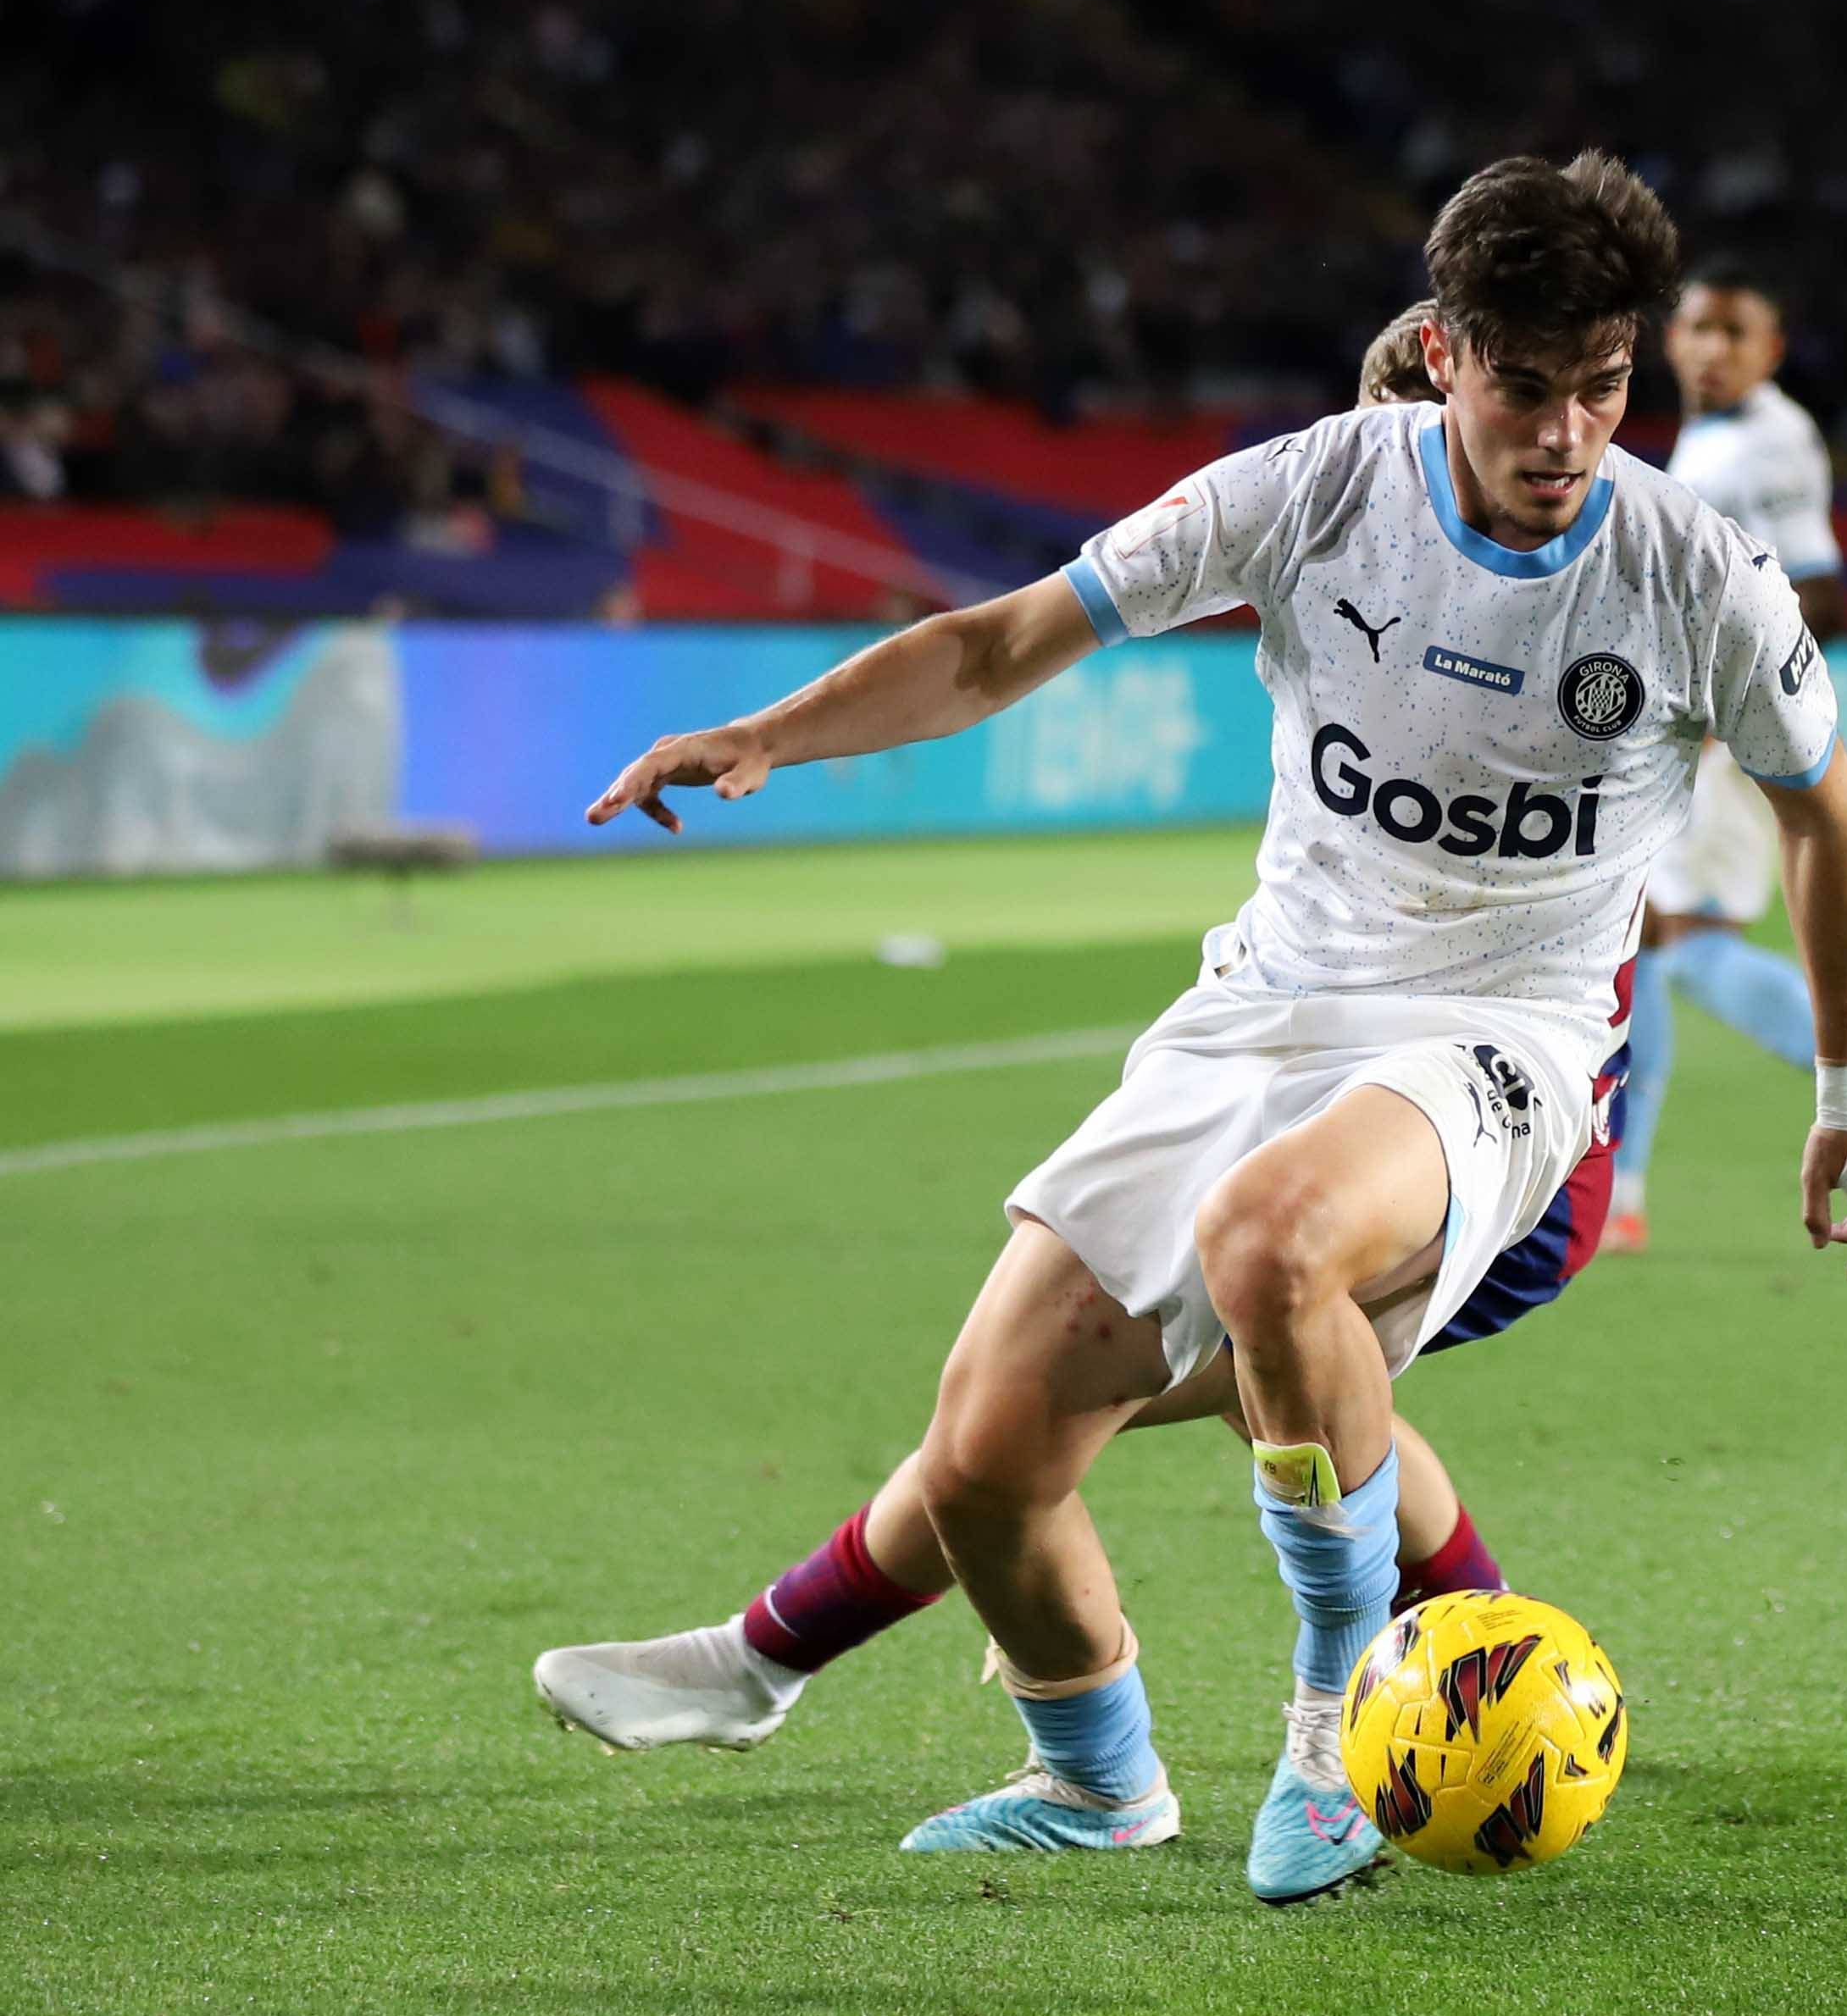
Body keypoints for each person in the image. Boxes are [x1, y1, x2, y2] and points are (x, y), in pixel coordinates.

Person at [541, 153, 1847, 1906]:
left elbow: (1829, 820)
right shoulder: (1307, 494)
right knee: (989, 1451)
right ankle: (1089, 1774)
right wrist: (765, 732)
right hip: (1268, 1007)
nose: (1568, 430)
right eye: (1527, 382)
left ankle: (1334, 1711)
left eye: (1604, 383)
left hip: (1502, 1039)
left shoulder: (1691, 569)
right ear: (1440, 351)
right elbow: (993, 649)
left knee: (1270, 1245)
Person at [532, 304, 1539, 1789]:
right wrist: (772, 732)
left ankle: (779, 1659)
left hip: (1484, 1132)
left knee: (1087, 1388)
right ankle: (1485, 1661)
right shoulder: (1330, 529)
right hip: (1310, 1066)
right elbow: (996, 643)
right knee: (1132, 1385)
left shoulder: (1594, 609)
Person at [1610, 263, 1847, 1251]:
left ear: (1770, 349)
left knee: (1678, 946)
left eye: (1733, 331)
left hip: (1713, 735)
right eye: (1697, 328)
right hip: (1689, 729)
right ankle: (1620, 1194)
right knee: (1649, 944)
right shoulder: (1710, 438)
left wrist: (1729, 708)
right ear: (1670, 340)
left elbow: (1823, 596)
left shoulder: (1771, 439)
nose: (1710, 347)